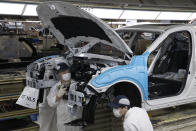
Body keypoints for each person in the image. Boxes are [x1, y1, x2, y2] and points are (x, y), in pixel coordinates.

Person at [47, 62, 83, 131]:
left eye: (66, 71)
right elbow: (50, 104)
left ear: (69, 71)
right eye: (62, 72)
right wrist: (58, 96)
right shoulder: (55, 88)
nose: (65, 73)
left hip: (76, 120)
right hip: (63, 121)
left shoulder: (77, 85)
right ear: (59, 74)